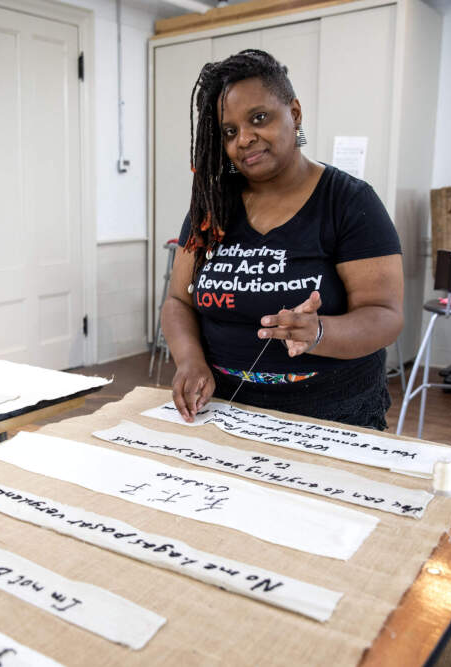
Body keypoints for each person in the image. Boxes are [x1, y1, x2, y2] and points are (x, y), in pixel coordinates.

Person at [162, 49, 403, 430]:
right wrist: (190, 361)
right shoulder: (211, 207)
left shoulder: (349, 202)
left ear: (294, 113)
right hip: (223, 410)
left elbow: (385, 317)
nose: (244, 139)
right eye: (229, 131)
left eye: (259, 118)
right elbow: (178, 301)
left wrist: (320, 332)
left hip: (333, 413)